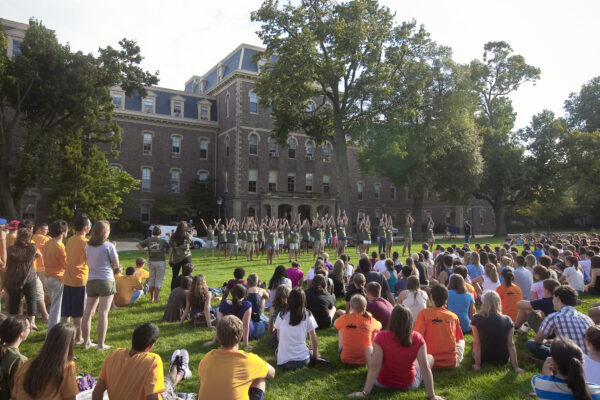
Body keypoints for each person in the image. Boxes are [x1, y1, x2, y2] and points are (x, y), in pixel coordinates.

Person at [348, 305, 444, 399]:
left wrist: (364, 393)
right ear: (410, 321)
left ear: (392, 319)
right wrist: (432, 396)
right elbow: (425, 367)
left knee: (370, 350)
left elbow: (375, 366)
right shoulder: (417, 338)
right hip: (409, 384)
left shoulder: (381, 337)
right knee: (429, 358)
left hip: (382, 383)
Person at [198, 315, 275, 400]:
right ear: (241, 336)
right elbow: (272, 373)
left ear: (218, 337)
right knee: (260, 377)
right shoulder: (248, 360)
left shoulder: (207, 358)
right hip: (252, 363)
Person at [92, 322, 167, 400]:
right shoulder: (153, 361)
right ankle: (179, 369)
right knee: (168, 383)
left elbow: (97, 393)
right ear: (151, 346)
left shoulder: (114, 354)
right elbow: (152, 398)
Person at [12, 323, 78, 400]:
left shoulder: (27, 363)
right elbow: (70, 398)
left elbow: (14, 396)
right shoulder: (67, 367)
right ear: (69, 344)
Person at [526, 286, 594, 361]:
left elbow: (538, 340)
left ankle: (549, 362)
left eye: (553, 298)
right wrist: (550, 341)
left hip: (568, 359)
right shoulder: (586, 318)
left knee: (531, 343)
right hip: (589, 358)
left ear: (557, 298)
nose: (552, 301)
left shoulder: (554, 317)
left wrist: (546, 342)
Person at [82, 220, 118, 350]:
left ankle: (86, 342)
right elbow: (116, 264)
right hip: (105, 280)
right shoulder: (108, 246)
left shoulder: (88, 246)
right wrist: (118, 269)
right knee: (103, 313)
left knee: (88, 313)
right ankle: (101, 345)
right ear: (105, 232)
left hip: (91, 280)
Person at [414, 284, 465, 369]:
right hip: (450, 362)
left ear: (431, 298)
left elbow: (417, 337)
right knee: (462, 341)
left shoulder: (424, 314)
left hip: (428, 361)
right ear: (446, 299)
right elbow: (458, 338)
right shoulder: (453, 316)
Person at [531, 338, 600, 400]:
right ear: (581, 363)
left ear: (554, 363)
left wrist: (546, 376)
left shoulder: (538, 382)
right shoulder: (596, 391)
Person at [471, 291, 523, 373]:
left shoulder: (476, 318)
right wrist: (516, 367)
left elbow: (477, 343)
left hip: (484, 357)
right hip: (503, 358)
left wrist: (477, 365)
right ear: (499, 303)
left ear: (484, 303)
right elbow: (511, 344)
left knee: (473, 346)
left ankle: (478, 361)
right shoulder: (508, 319)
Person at [61, 215, 90, 345]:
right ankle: (78, 338)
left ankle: (63, 337)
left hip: (67, 278)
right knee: (78, 313)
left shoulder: (70, 239)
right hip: (79, 280)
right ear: (85, 228)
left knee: (65, 312)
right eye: (89, 225)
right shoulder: (86, 242)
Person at [274, 288, 319, 370]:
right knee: (311, 349)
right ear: (304, 300)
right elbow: (314, 340)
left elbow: (279, 337)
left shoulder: (281, 314)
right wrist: (315, 357)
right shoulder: (307, 315)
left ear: (289, 299)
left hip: (283, 362)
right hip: (303, 360)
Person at [4, 228, 39, 330]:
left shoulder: (11, 249)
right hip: (29, 276)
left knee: (14, 301)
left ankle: (13, 324)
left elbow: (7, 263)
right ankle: (32, 323)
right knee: (31, 299)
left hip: (13, 277)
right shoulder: (33, 247)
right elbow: (36, 254)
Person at [335, 295, 381, 366]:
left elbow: (335, 324)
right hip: (366, 359)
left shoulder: (344, 318)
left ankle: (344, 350)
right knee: (375, 331)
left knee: (340, 329)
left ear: (351, 307)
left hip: (345, 358)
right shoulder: (371, 320)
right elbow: (379, 325)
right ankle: (371, 353)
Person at [0, 315, 30, 400]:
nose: (30, 329)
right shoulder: (18, 360)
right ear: (21, 333)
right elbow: (18, 391)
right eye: (28, 327)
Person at [136, 226, 169, 303]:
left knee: (152, 280)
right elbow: (170, 247)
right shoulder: (162, 241)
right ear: (160, 232)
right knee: (158, 281)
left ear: (153, 232)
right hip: (160, 262)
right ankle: (156, 299)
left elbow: (138, 245)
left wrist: (145, 251)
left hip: (151, 262)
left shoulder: (149, 240)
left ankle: (152, 298)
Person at [168, 221, 193, 290]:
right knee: (187, 275)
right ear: (186, 228)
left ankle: (173, 292)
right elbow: (191, 244)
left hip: (176, 259)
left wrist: (169, 259)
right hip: (186, 257)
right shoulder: (188, 236)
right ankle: (187, 290)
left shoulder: (173, 236)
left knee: (175, 276)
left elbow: (171, 248)